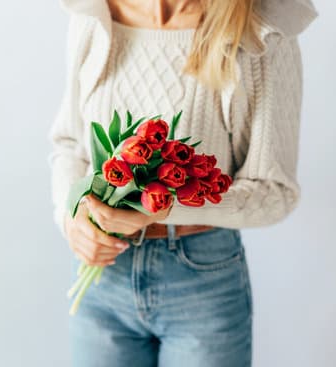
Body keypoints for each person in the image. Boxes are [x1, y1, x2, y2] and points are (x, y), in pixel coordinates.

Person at [47, 0, 318, 366]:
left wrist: (160, 205)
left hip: (201, 283)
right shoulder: (95, 13)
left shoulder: (259, 29)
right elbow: (69, 145)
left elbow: (275, 191)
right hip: (101, 284)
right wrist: (73, 214)